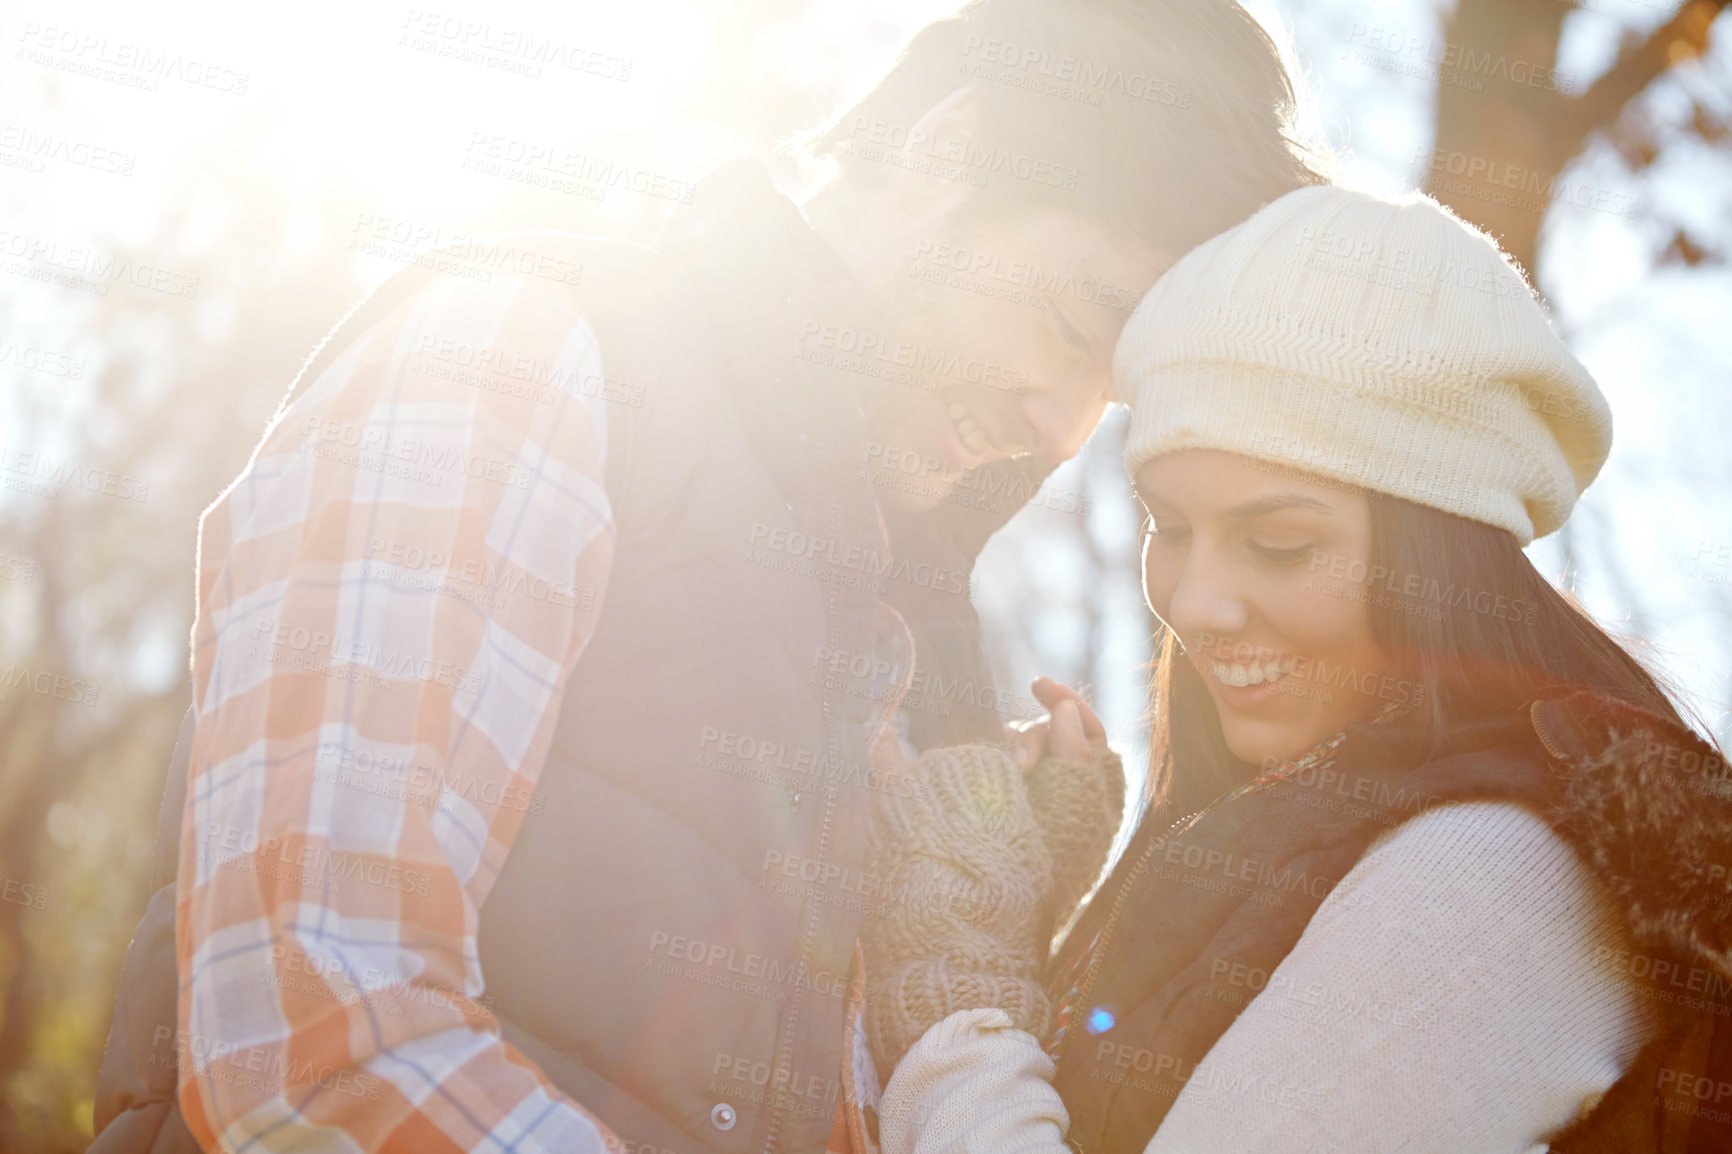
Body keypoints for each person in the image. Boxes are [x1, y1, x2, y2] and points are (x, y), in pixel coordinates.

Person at [88, 3, 1323, 1152]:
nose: (1064, 423)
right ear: (947, 153)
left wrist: (994, 924)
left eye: (1109, 384)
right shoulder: (517, 360)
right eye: (1069, 324)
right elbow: (315, 1032)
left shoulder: (910, 616)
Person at [860, 186, 1732, 1153]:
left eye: (1276, 542)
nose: (1193, 603)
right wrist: (1032, 919)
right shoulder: (1326, 822)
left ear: (1435, 557)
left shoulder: (1489, 878)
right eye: (1171, 527)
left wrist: (960, 989)